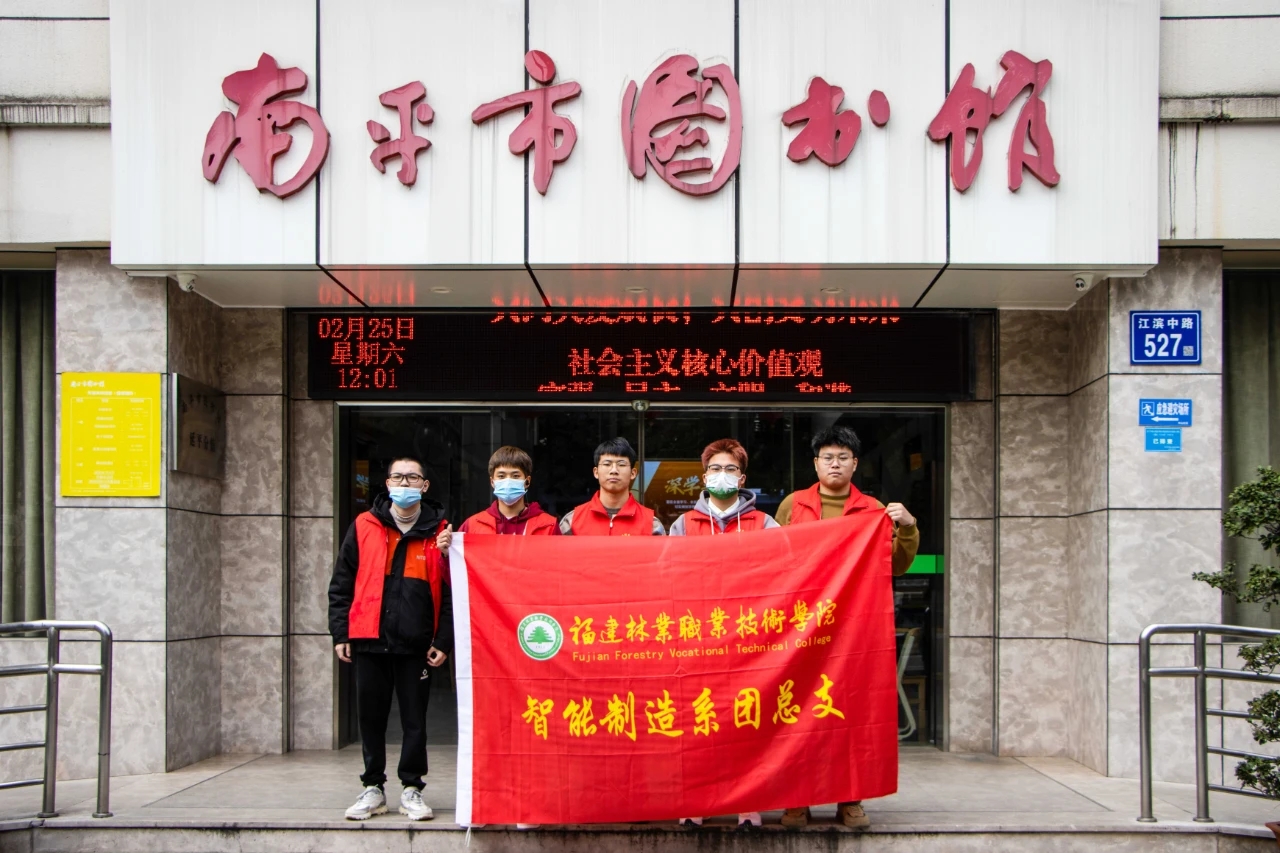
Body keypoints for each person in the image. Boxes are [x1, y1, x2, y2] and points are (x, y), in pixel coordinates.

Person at [775, 425, 918, 830]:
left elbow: (896, 565)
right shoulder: (793, 505)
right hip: (802, 627)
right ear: (815, 463)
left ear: (855, 464)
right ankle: (797, 798)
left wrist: (908, 527)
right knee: (797, 713)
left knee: (849, 713)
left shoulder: (872, 510)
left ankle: (850, 799)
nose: (834, 464)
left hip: (853, 628)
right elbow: (774, 559)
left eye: (842, 457)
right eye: (827, 457)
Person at [328, 456, 452, 822]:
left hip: (416, 645)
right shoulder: (364, 525)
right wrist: (341, 632)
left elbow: (451, 593)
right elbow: (342, 583)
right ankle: (373, 787)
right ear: (386, 483)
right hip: (369, 639)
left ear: (424, 486)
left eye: (412, 478)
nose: (404, 483)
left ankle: (412, 788)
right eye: (398, 477)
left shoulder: (441, 533)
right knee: (371, 718)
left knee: (415, 721)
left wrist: (443, 641)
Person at [669, 438, 779, 830]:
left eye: (730, 469)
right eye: (715, 469)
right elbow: (670, 577)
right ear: (703, 477)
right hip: (698, 637)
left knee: (747, 721)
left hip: (750, 640)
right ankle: (698, 801)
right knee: (699, 722)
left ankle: (748, 803)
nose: (722, 475)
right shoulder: (683, 525)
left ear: (742, 478)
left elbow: (782, 573)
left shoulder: (765, 524)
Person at [435, 445, 559, 551]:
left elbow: (558, 567)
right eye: (501, 476)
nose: (508, 481)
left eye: (515, 476)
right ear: (492, 482)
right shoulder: (472, 525)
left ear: (527, 481)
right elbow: (458, 570)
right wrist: (446, 554)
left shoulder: (548, 526)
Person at [559, 437, 666, 535]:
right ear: (596, 472)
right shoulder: (572, 521)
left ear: (633, 473)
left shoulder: (652, 524)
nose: (614, 470)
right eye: (607, 464)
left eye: (621, 464)